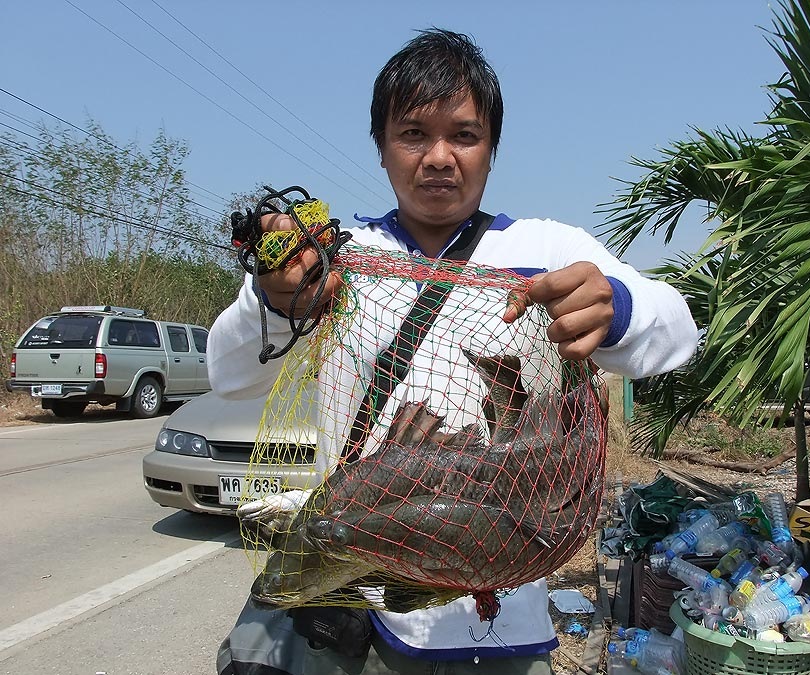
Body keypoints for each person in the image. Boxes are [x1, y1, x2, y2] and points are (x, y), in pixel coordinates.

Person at [210, 28, 697, 675]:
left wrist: (617, 306)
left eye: (464, 135)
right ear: (382, 147)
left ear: (491, 149)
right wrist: (276, 296)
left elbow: (680, 331)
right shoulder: (339, 258)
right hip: (363, 617)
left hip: (503, 625)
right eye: (414, 133)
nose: (439, 156)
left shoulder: (547, 247)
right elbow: (229, 370)